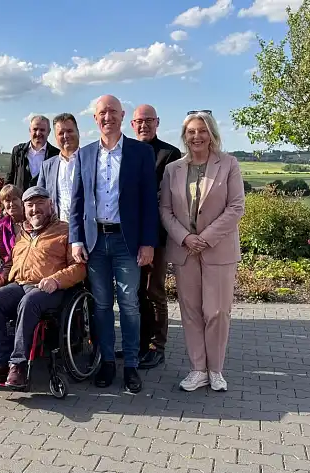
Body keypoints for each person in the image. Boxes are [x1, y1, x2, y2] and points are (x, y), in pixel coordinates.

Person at [69, 94, 158, 393]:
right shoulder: (85, 154)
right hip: (95, 242)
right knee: (103, 306)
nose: (107, 117)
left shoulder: (140, 153)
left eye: (113, 112)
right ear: (95, 119)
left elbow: (149, 203)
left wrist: (148, 243)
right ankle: (107, 361)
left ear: (123, 116)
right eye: (102, 113)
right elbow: (77, 202)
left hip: (126, 242)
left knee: (130, 305)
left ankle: (130, 365)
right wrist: (75, 238)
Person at [159, 111, 245, 392]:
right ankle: (198, 369)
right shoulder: (173, 169)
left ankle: (216, 370)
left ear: (212, 134)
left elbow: (236, 207)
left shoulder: (229, 164)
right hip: (185, 251)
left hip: (218, 250)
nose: (197, 136)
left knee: (217, 311)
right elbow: (165, 209)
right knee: (191, 312)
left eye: (202, 131)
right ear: (184, 137)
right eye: (191, 132)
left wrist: (204, 238)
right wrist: (185, 238)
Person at [0, 186, 86, 387]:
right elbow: (10, 263)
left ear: (50, 205)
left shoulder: (65, 230)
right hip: (20, 284)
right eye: (30, 205)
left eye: (40, 203)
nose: (34, 209)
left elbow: (79, 268)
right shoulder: (23, 232)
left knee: (29, 301)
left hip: (51, 289)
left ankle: (18, 365)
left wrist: (56, 280)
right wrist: (1, 279)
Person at [130, 104, 182, 370]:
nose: (144, 125)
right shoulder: (126, 150)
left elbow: (167, 197)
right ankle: (138, 344)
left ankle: (156, 346)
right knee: (135, 291)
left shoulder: (170, 154)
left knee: (154, 290)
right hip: (128, 235)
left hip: (157, 235)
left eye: (149, 120)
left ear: (157, 122)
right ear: (132, 125)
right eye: (139, 121)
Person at [38, 113, 79, 222]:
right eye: (61, 133)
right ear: (55, 137)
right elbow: (40, 200)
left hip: (87, 231)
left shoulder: (90, 160)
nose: (66, 136)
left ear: (78, 132)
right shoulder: (47, 166)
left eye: (70, 131)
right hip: (58, 229)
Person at [0, 184, 25, 291]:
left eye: (14, 199)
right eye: (7, 201)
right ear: (3, 203)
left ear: (21, 201)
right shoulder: (2, 226)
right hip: (12, 272)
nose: (11, 204)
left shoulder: (31, 221)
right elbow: (6, 258)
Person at [7, 115, 60, 191]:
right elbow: (10, 178)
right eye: (35, 129)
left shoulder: (56, 155)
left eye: (42, 130)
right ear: (30, 130)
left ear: (49, 132)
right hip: (20, 201)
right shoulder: (18, 151)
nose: (38, 133)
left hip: (44, 201)